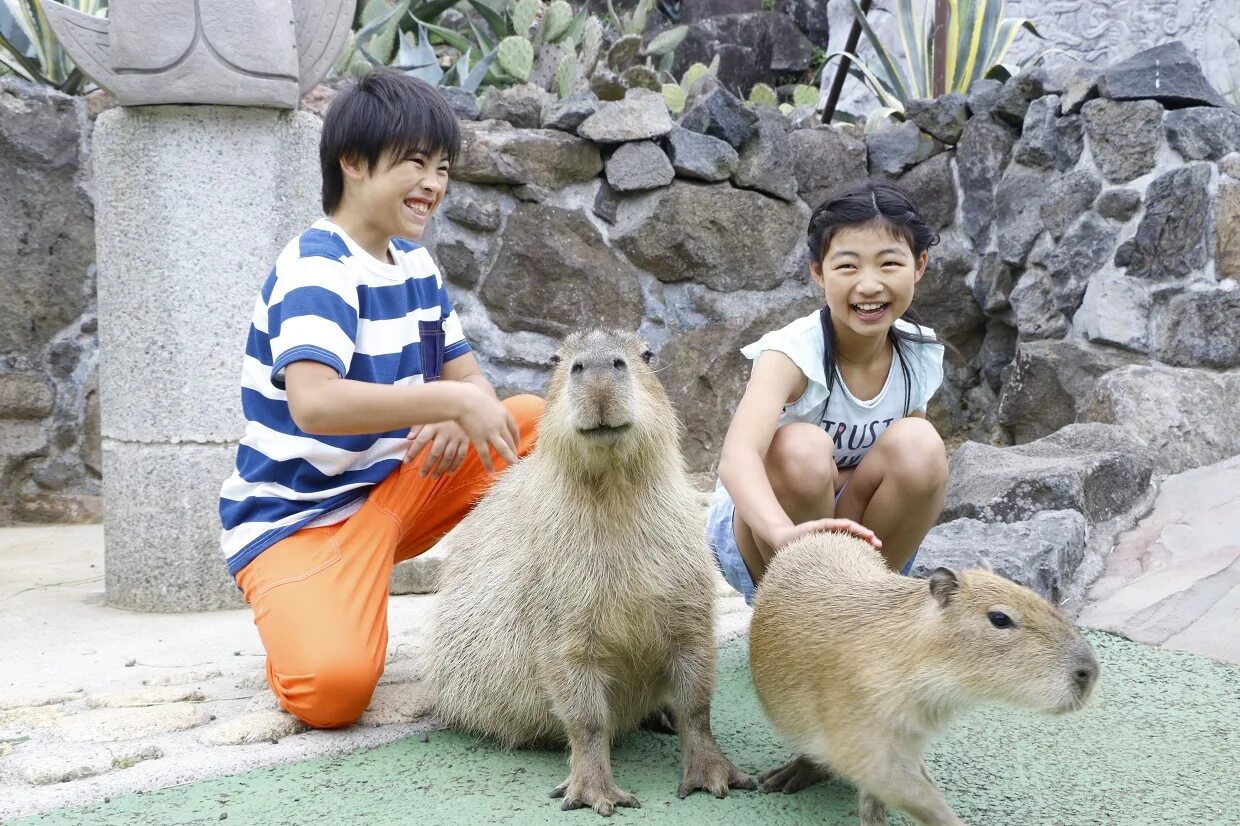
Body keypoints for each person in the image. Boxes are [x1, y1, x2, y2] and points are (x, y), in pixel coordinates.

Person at [218, 70, 543, 729]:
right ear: (353, 163)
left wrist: (461, 403)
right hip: (298, 524)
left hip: (393, 495)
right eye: (416, 162)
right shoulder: (318, 266)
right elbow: (316, 403)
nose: (434, 183)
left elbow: (470, 382)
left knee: (535, 423)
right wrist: (444, 405)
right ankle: (310, 613)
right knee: (331, 693)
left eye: (443, 167)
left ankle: (538, 623)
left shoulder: (417, 266)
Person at [709, 179, 948, 604]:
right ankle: (798, 611)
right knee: (798, 448)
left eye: (889, 264)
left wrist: (839, 484)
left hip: (853, 523)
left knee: (922, 445)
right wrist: (784, 534)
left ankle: (869, 605)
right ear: (818, 273)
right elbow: (737, 458)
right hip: (766, 530)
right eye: (848, 266)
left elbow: (901, 466)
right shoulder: (790, 353)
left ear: (920, 265)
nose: (869, 284)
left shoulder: (919, 352)